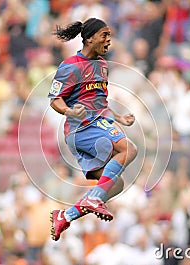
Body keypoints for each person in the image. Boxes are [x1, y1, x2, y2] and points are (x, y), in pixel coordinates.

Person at [48, 18, 138, 241]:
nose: (109, 40)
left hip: (97, 124)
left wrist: (119, 117)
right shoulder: (70, 65)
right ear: (89, 39)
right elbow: (54, 99)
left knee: (115, 184)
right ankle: (93, 199)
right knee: (129, 149)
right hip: (81, 128)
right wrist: (70, 111)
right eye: (104, 35)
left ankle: (65, 216)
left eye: (110, 35)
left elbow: (101, 102)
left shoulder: (103, 66)